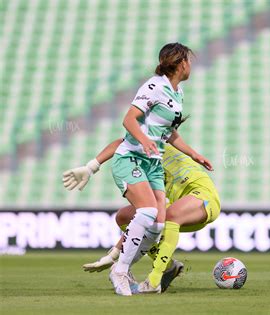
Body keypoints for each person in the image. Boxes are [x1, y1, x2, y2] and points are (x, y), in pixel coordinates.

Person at [77, 42, 211, 296]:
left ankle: (122, 267)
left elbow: (169, 133)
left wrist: (195, 154)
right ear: (181, 62)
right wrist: (144, 139)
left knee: (158, 225)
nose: (191, 65)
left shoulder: (177, 93)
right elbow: (128, 119)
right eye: (189, 60)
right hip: (131, 158)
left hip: (153, 164)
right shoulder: (155, 86)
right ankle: (120, 270)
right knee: (148, 211)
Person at [63, 139, 221, 294]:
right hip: (176, 206)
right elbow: (141, 221)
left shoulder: (152, 145)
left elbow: (120, 143)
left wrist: (91, 166)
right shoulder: (146, 176)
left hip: (204, 199)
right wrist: (113, 254)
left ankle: (154, 280)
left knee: (172, 215)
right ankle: (169, 267)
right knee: (124, 217)